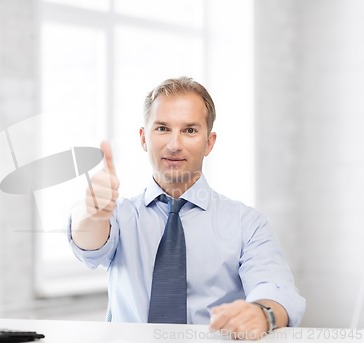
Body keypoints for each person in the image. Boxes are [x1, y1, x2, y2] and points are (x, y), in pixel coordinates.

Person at [67, 76, 305, 340]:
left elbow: (276, 289)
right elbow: (88, 242)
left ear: (209, 142)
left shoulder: (246, 223)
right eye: (162, 129)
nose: (174, 144)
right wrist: (90, 214)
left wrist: (262, 314)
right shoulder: (120, 216)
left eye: (190, 130)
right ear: (144, 138)